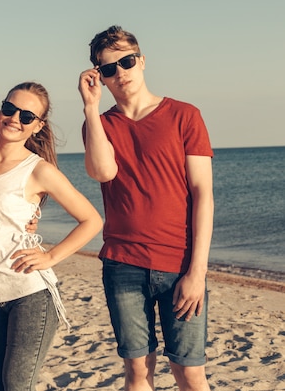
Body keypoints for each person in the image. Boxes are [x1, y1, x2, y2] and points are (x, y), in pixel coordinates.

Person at [77, 25, 214, 391]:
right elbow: (102, 171)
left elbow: (203, 195)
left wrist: (197, 273)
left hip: (180, 264)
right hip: (123, 264)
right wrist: (90, 107)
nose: (120, 72)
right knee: (137, 373)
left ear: (142, 61)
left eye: (127, 61)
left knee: (190, 373)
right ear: (100, 77)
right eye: (109, 68)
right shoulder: (99, 124)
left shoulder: (185, 115)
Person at [0, 82, 103, 391]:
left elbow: (91, 220)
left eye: (27, 116)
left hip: (30, 293)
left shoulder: (38, 170)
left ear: (38, 126)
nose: (14, 119)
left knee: (16, 385)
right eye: (10, 109)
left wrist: (50, 256)